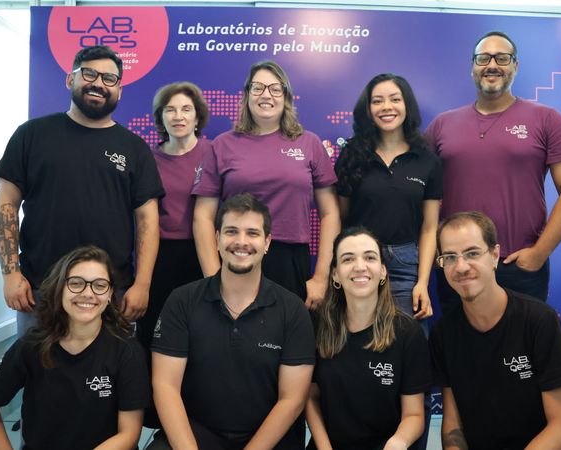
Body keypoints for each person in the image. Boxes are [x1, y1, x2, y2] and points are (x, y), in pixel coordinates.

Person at [0, 45, 164, 336]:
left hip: (111, 292)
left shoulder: (135, 149)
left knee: (109, 380)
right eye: (89, 74)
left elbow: (148, 222)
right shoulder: (31, 135)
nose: (98, 83)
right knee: (36, 375)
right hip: (40, 289)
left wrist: (143, 285)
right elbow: (6, 205)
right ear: (70, 80)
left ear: (119, 91)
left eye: (109, 79)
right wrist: (10, 275)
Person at [425, 30, 561, 311]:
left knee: (520, 352)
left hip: (519, 265)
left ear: (515, 66)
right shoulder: (441, 125)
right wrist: (437, 252)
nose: (492, 65)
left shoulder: (546, 119)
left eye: (502, 58)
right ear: (472, 66)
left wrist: (539, 253)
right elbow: (419, 191)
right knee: (458, 350)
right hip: (457, 266)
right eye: (483, 58)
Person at [149, 193, 315, 450]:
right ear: (216, 239)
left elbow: (292, 399)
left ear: (267, 242)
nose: (241, 242)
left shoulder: (292, 310)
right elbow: (165, 386)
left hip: (267, 439)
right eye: (231, 231)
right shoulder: (182, 300)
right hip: (198, 433)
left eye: (252, 233)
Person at [430, 211, 561, 449]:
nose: (461, 267)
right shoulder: (443, 334)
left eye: (472, 253)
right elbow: (453, 427)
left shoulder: (538, 320)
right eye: (450, 257)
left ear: (494, 255)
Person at [192, 60, 340, 309]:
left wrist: (321, 278)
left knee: (289, 342)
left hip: (290, 262)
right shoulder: (222, 145)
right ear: (247, 95)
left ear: (287, 96)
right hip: (237, 255)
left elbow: (330, 213)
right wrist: (213, 278)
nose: (266, 95)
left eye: (275, 88)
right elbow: (202, 217)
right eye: (258, 88)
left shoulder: (309, 143)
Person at [0, 246, 150, 450]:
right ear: (60, 288)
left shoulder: (127, 351)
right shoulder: (30, 346)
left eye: (99, 285)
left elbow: (129, 434)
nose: (88, 293)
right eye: (76, 283)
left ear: (110, 293)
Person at [306, 227, 431, 450]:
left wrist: (398, 442)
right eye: (347, 259)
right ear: (335, 274)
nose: (360, 266)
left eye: (370, 257)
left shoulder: (408, 333)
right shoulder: (317, 326)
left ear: (383, 271)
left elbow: (414, 415)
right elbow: (311, 398)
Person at [335, 73, 442, 328]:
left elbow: (429, 228)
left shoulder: (427, 160)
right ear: (368, 109)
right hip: (358, 261)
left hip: (407, 264)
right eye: (377, 101)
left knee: (409, 344)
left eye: (395, 99)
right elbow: (341, 219)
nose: (387, 107)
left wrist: (422, 283)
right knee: (357, 339)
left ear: (407, 105)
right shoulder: (352, 156)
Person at [138, 82, 210, 351]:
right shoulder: (147, 159)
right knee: (157, 330)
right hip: (160, 256)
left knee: (201, 330)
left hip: (205, 253)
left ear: (197, 116)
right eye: (170, 110)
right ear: (160, 117)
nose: (178, 116)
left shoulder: (214, 153)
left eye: (186, 109)